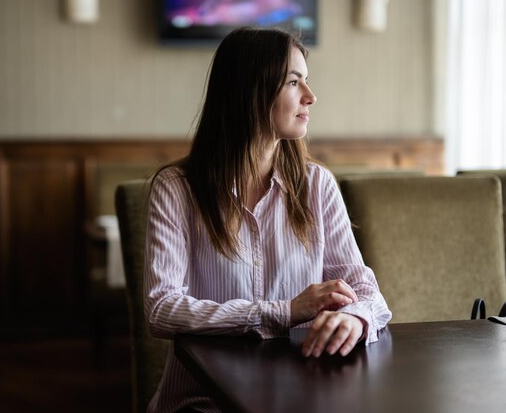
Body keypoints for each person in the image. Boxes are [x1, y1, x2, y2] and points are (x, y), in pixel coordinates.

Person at [144, 27, 392, 413]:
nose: (311, 97)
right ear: (249, 90)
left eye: (306, 82)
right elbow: (161, 309)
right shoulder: (176, 188)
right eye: (294, 82)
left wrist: (356, 318)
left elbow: (366, 290)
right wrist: (285, 312)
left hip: (302, 394)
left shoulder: (317, 185)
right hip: (203, 402)